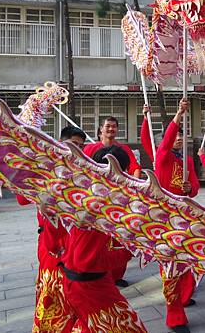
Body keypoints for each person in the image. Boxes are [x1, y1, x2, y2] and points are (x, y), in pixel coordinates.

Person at [61, 145, 146, 333]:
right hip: (88, 285)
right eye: (123, 171)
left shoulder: (90, 194)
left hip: (89, 281)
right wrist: (128, 252)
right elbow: (86, 261)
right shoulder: (96, 206)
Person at [16, 125, 86, 332]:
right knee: (52, 296)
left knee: (77, 298)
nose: (77, 151)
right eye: (73, 145)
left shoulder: (82, 172)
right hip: (51, 245)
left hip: (76, 243)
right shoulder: (45, 169)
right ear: (60, 142)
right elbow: (21, 198)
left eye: (81, 146)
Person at [141, 99, 199, 333]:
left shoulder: (187, 160)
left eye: (180, 136)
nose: (177, 139)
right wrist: (178, 114)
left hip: (184, 215)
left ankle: (185, 296)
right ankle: (175, 315)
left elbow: (194, 187)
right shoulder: (162, 157)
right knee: (170, 266)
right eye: (174, 136)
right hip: (163, 218)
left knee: (187, 258)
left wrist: (189, 189)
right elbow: (161, 142)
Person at [83, 117, 138, 287]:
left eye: (114, 127)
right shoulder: (91, 148)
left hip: (120, 200)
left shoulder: (124, 149)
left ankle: (117, 275)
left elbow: (135, 168)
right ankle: (100, 272)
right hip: (97, 200)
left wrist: (132, 188)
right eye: (107, 126)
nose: (111, 129)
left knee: (119, 238)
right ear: (100, 130)